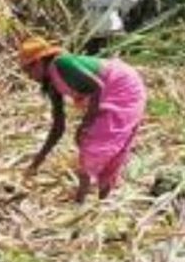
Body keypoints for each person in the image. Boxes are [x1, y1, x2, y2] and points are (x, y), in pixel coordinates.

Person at [20, 37, 147, 202]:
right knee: (96, 142)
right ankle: (100, 200)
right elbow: (58, 126)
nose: (29, 77)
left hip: (122, 86)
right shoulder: (51, 82)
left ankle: (80, 202)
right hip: (111, 89)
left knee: (94, 142)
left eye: (28, 71)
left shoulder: (62, 63)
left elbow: (97, 86)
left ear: (38, 63)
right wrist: (36, 163)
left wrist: (86, 123)